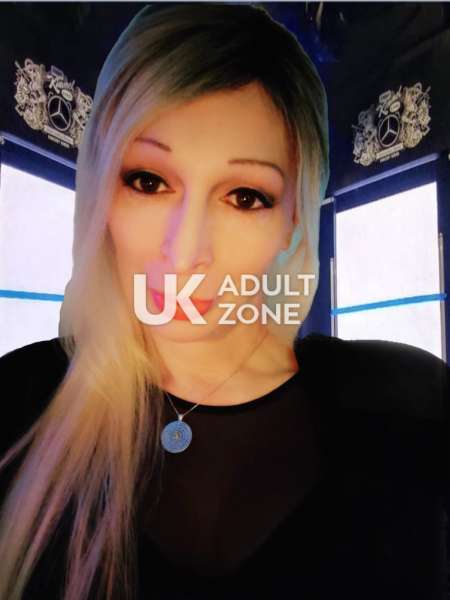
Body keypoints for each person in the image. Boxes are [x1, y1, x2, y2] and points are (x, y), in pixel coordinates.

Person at [0, 3, 448, 599]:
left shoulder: (407, 407)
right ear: (102, 188)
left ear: (294, 219)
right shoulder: (19, 403)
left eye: (244, 196)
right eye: (149, 181)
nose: (185, 253)